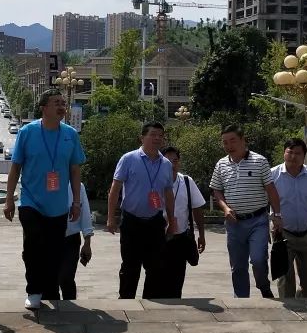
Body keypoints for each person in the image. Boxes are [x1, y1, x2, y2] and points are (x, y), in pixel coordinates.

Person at [4, 89, 85, 310]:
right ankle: (34, 290)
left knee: (54, 252)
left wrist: (76, 202)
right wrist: (9, 199)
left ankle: (50, 291)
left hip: (58, 206)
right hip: (31, 201)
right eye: (56, 102)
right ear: (44, 107)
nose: (61, 106)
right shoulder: (27, 132)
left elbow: (75, 170)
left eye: (63, 103)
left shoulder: (70, 134)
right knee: (34, 243)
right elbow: (15, 167)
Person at [209, 124, 282, 298]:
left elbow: (271, 190)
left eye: (233, 140)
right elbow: (216, 191)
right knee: (238, 265)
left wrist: (277, 215)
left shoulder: (260, 161)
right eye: (225, 142)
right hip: (234, 223)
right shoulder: (221, 164)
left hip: (257, 220)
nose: (229, 145)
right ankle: (241, 299)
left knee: (258, 260)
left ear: (243, 140)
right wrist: (225, 208)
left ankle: (263, 286)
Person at [106, 122, 176, 299]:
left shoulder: (166, 164)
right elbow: (115, 190)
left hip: (155, 221)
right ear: (142, 137)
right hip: (132, 221)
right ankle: (126, 301)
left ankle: (150, 303)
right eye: (153, 134)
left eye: (160, 135)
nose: (157, 138)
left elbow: (168, 193)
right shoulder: (128, 159)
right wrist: (110, 218)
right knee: (130, 265)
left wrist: (172, 220)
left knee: (155, 266)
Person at [271, 138, 307, 299]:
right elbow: (262, 203)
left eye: (298, 153)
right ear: (284, 153)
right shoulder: (272, 175)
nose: (293, 156)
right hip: (283, 234)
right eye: (289, 152)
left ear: (304, 156)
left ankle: (305, 306)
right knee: (285, 279)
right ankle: (289, 312)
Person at [160, 145, 206, 299]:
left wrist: (201, 234)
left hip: (180, 239)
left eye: (175, 161)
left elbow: (197, 208)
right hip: (159, 238)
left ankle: (175, 307)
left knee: (177, 278)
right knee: (157, 277)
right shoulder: (154, 181)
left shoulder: (186, 181)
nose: (172, 164)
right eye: (168, 161)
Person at [57, 182, 94, 300]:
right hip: (50, 239)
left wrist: (87, 242)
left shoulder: (78, 186)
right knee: (50, 280)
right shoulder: (46, 181)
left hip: (71, 239)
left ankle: (70, 310)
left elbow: (85, 214)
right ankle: (52, 314)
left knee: (66, 278)